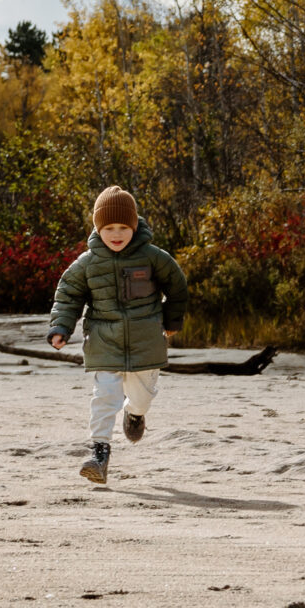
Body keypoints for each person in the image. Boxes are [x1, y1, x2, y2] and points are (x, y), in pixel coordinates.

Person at [47, 186, 188, 485]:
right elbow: (68, 295)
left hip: (146, 341)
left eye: (123, 227)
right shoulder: (87, 263)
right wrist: (61, 327)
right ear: (98, 228)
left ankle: (134, 415)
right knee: (104, 397)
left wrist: (171, 319)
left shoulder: (153, 257)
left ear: (134, 226)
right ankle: (99, 454)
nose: (116, 233)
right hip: (103, 340)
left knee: (141, 397)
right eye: (109, 227)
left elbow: (177, 285)